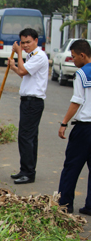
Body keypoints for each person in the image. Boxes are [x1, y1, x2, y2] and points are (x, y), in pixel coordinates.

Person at [8, 28, 48, 184]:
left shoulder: (39, 56)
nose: (25, 45)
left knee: (26, 138)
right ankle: (25, 170)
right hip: (27, 101)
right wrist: (13, 67)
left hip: (33, 102)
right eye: (22, 43)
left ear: (36, 41)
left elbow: (23, 70)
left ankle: (29, 173)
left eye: (28, 42)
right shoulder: (31, 56)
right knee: (28, 138)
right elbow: (23, 73)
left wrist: (18, 53)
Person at [58, 40, 91, 215]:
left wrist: (64, 123)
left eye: (74, 56)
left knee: (72, 166)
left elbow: (77, 101)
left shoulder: (82, 74)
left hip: (84, 128)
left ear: (82, 55)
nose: (72, 60)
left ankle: (65, 204)